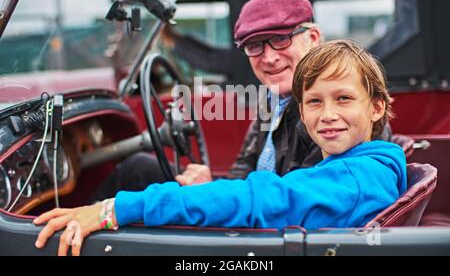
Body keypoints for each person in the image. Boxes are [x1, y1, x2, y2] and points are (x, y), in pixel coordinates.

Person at [34, 39, 407, 256]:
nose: (327, 115)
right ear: (301, 110)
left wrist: (112, 209)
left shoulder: (356, 178)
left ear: (376, 107)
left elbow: (256, 198)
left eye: (344, 99)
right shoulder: (364, 166)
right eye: (314, 102)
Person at [93, 0, 394, 201]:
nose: (269, 57)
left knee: (137, 176)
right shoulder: (272, 101)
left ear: (313, 37)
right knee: (139, 167)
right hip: (256, 205)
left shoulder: (326, 118)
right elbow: (245, 170)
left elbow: (288, 197)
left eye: (280, 39)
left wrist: (212, 192)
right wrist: (209, 184)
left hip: (270, 229)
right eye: (255, 46)